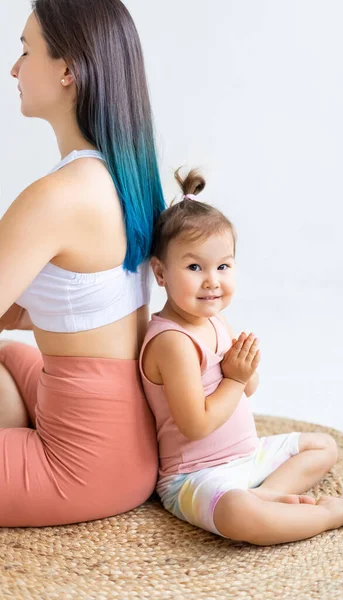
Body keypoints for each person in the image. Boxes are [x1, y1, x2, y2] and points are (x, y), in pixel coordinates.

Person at [138, 167, 343, 545]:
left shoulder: (216, 321)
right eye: (195, 267)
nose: (212, 280)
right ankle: (326, 514)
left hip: (248, 457)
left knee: (322, 447)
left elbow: (248, 390)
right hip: (198, 476)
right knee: (240, 516)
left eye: (223, 266)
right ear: (160, 272)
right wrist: (235, 378)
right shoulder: (172, 341)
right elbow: (196, 425)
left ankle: (265, 495)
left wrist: (244, 370)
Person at [0, 0, 166, 526]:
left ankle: (21, 448)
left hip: (80, 469)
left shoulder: (57, 196)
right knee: (5, 353)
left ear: (68, 70)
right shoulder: (129, 176)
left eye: (26, 51)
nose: (14, 68)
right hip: (132, 446)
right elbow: (84, 304)